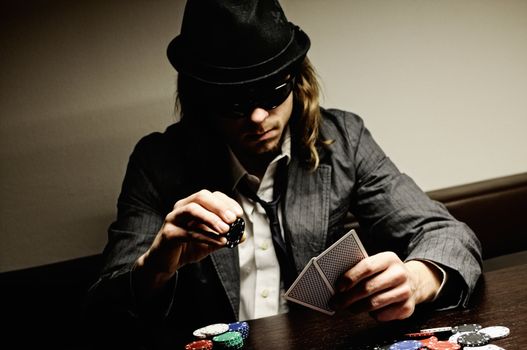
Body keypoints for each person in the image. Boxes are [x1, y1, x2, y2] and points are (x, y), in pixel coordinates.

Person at [84, 0, 482, 346]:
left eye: (273, 92)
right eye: (233, 102)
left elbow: (447, 234)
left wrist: (416, 279)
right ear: (200, 98)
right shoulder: (158, 162)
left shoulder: (344, 139)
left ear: (298, 80)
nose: (258, 118)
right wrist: (156, 265)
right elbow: (107, 308)